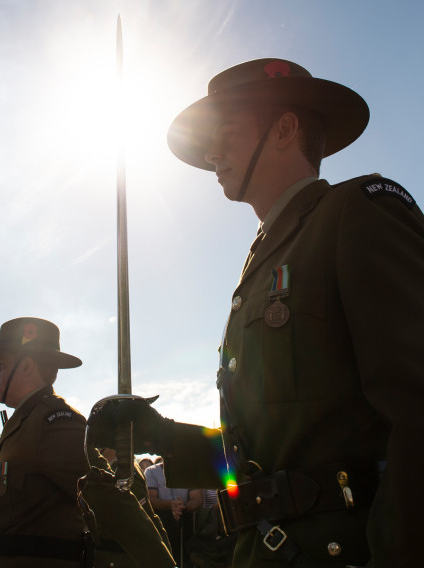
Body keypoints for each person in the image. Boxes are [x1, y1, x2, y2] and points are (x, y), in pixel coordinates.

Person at [87, 58, 424, 567]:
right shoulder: (263, 262)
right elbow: (263, 459)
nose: (211, 152)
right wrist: (159, 433)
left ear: (285, 128)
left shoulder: (355, 212)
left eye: (225, 132)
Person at [0, 316, 175, 568]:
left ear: (26, 366)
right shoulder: (24, 421)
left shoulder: (54, 421)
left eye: (1, 364)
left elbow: (110, 501)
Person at [144, 459, 202, 568]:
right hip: (162, 522)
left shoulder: (190, 471)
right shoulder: (151, 472)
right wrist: (171, 505)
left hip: (186, 521)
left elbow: (197, 498)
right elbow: (150, 498)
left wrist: (181, 508)